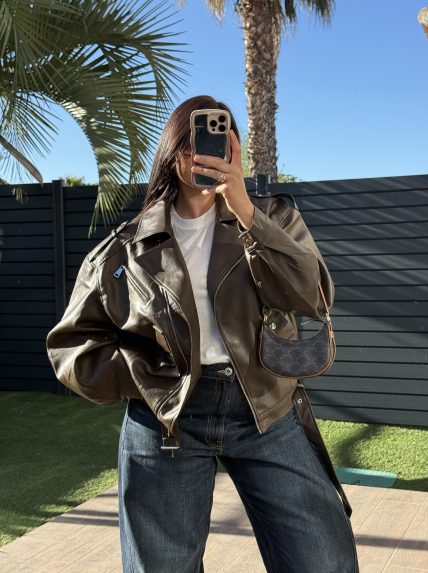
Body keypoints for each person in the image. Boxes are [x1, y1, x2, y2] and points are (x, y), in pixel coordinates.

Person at [46, 94, 359, 573]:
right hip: (167, 422)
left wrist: (246, 210)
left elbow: (312, 296)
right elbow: (71, 346)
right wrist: (146, 376)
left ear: (234, 149)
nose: (201, 152)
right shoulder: (125, 248)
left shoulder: (273, 218)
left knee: (322, 560)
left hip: (265, 409)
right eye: (191, 140)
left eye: (216, 138)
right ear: (172, 151)